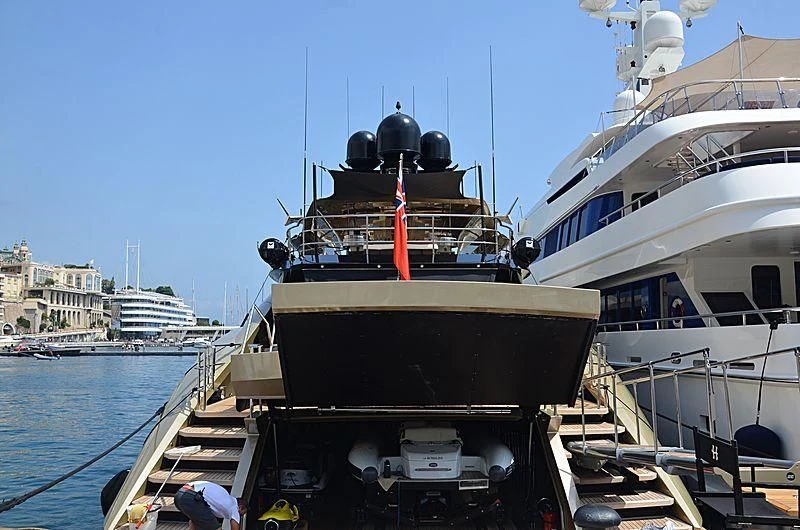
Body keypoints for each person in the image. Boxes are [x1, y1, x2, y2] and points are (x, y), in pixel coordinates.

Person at [173, 480, 247, 530]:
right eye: (241, 514)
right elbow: (235, 528)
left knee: (195, 523)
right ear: (240, 507)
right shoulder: (234, 506)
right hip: (192, 496)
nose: (239, 516)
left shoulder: (225, 499)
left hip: (181, 493)